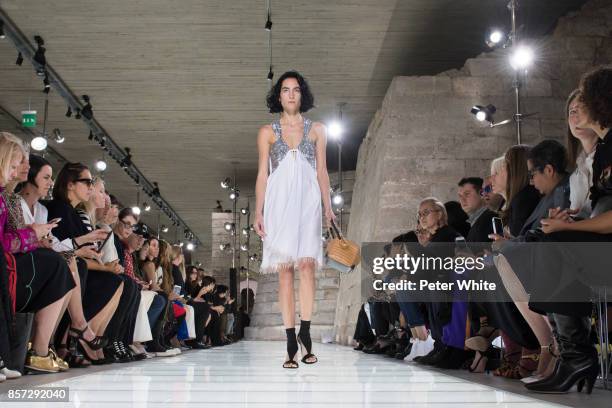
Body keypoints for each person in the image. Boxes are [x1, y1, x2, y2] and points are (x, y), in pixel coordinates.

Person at [254, 71, 335, 368]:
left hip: (308, 201)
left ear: (302, 95)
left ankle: (306, 331)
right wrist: (258, 212)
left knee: (307, 266)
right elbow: (263, 174)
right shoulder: (267, 132)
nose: (290, 94)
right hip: (279, 203)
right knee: (285, 269)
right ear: (279, 95)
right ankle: (290, 338)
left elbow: (322, 171)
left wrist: (328, 207)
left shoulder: (317, 129)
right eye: (285, 90)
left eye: (296, 90)